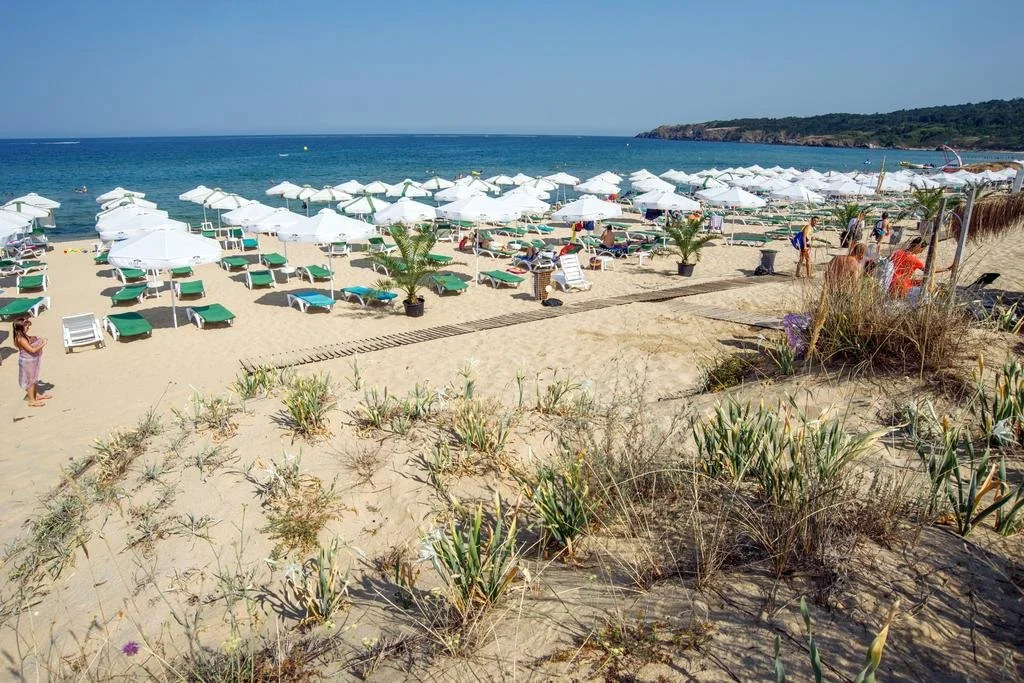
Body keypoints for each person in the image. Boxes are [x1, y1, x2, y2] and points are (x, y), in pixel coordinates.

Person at [13, 318, 49, 407]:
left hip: (31, 361)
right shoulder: (20, 338)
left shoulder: (23, 335)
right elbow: (32, 350)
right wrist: (43, 344)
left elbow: (30, 338)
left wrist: (36, 337)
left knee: (34, 379)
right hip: (27, 362)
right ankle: (31, 401)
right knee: (30, 381)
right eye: (26, 326)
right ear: (20, 327)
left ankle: (36, 396)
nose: (28, 327)